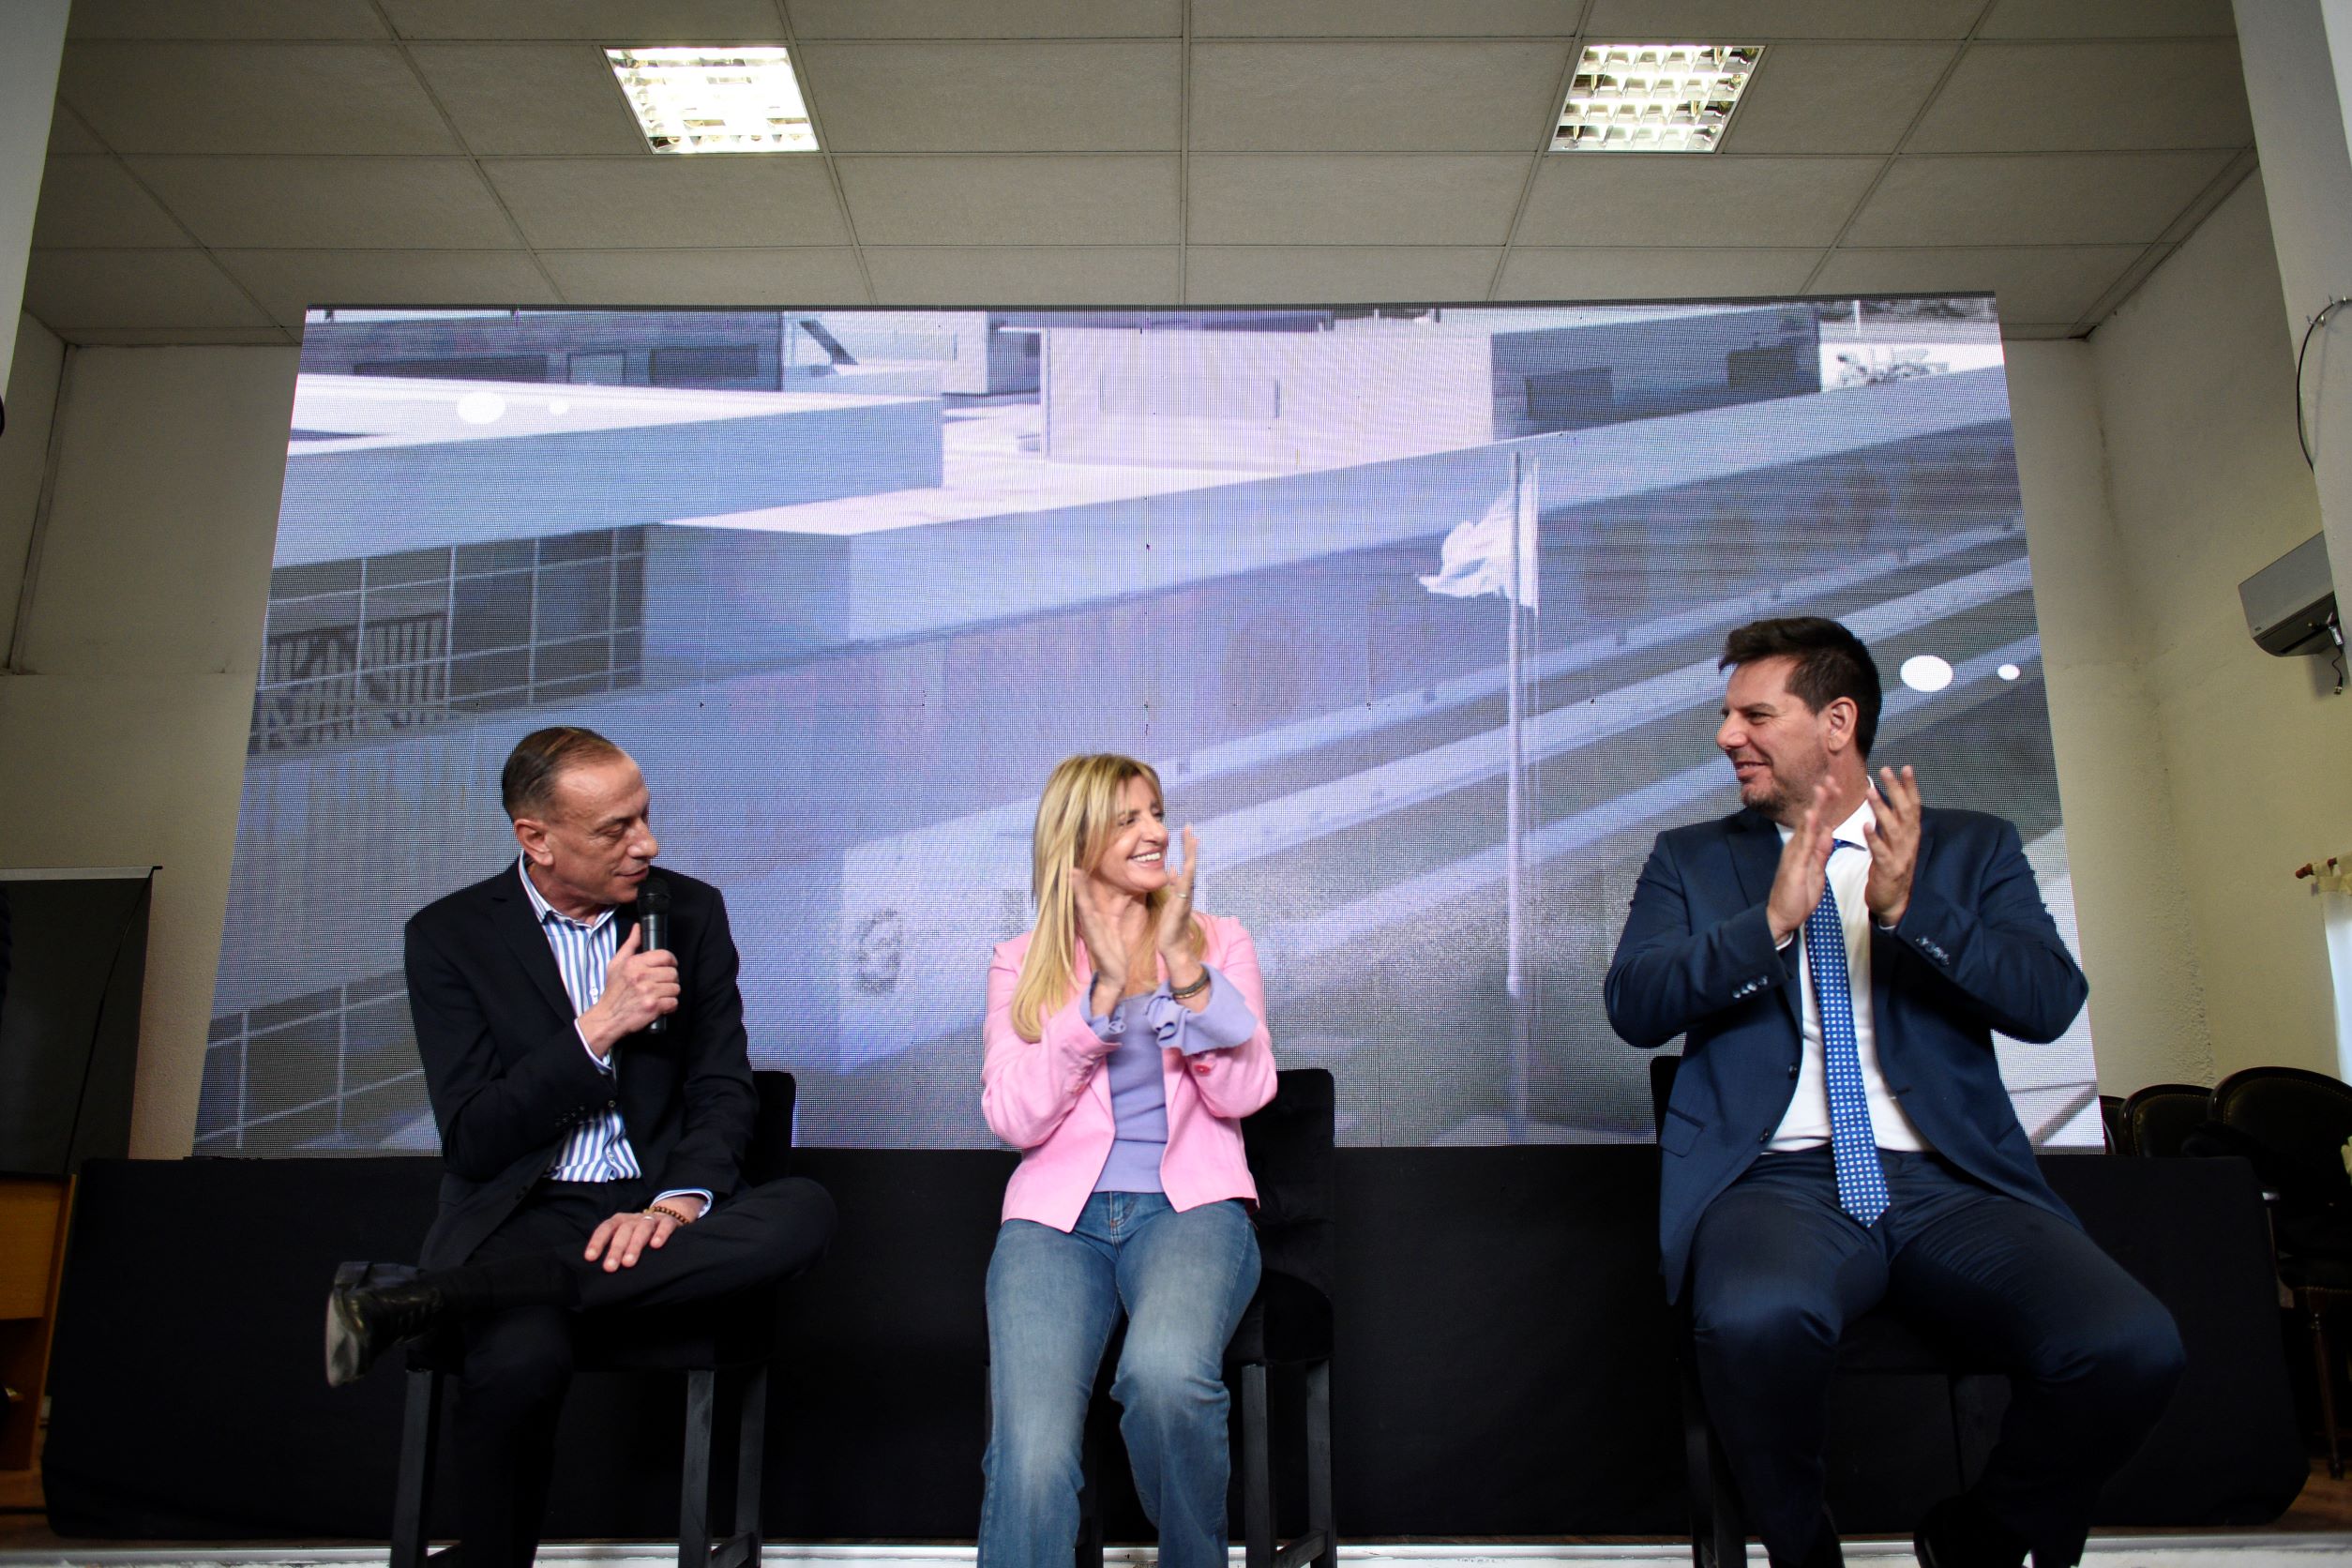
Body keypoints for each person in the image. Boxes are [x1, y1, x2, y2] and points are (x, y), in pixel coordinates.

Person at [1604, 619, 2182, 1568]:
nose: (1726, 736)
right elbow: (1635, 1004)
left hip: (1953, 1185)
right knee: (1750, 1319)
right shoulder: (1691, 859)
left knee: (2130, 1344)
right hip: (1778, 1185)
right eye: (1725, 716)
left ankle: (1981, 1534)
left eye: (1754, 714)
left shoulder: (1972, 848)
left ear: (1838, 720)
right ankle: (1800, 1541)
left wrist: (1914, 909)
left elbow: (2048, 1002)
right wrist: (1770, 924)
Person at [324, 726, 836, 1568]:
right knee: (520, 1355)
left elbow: (720, 1088)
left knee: (804, 1210)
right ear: (537, 839)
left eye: (645, 817)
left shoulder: (692, 912)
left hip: (660, 1210)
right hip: (525, 1210)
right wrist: (598, 1029)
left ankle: (441, 1296)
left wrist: (673, 1204)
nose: (648, 844)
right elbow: (477, 1134)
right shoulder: (450, 938)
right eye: (615, 830)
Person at [978, 754, 1277, 1568]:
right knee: (1032, 1457)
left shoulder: (1222, 940)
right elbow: (1013, 1115)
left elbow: (1249, 1090)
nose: (1154, 833)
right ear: (1076, 843)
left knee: (1167, 1381)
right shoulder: (1023, 960)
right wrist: (1100, 1000)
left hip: (1189, 1214)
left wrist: (1182, 967)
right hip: (1054, 1227)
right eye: (1128, 818)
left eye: (1156, 812)